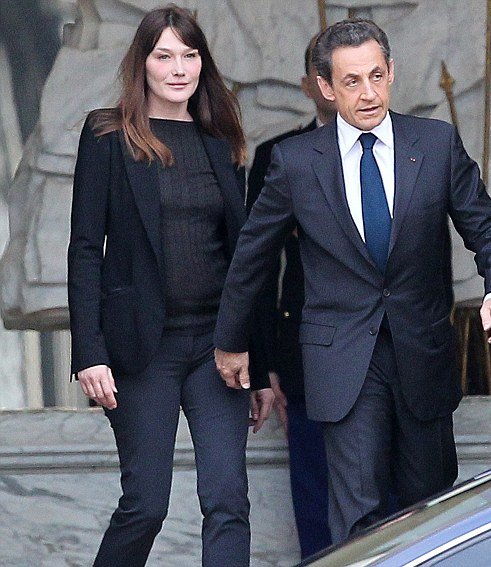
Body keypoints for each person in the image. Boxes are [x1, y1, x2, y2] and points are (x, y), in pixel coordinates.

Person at [214, 18, 491, 543]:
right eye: (352, 81)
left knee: (432, 512)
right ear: (326, 87)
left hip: (421, 353)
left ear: (392, 72)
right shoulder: (295, 162)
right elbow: (252, 257)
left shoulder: (435, 143)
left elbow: (488, 229)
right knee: (359, 518)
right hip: (343, 361)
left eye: (377, 76)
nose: (369, 93)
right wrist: (232, 341)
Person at [67, 6, 273, 566]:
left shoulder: (220, 139)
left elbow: (243, 260)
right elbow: (85, 249)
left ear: (203, 63)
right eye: (164, 56)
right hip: (142, 348)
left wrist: (259, 362)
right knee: (146, 504)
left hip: (217, 349)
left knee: (228, 500)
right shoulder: (107, 134)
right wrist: (89, 352)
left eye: (189, 55)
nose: (178, 68)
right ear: (143, 63)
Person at [246, 36, 335, 558]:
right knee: (316, 503)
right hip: (305, 354)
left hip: (394, 357)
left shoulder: (414, 148)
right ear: (308, 86)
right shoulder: (277, 157)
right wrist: (265, 363)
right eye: (326, 75)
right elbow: (257, 267)